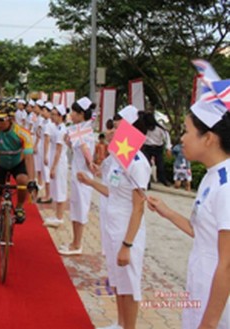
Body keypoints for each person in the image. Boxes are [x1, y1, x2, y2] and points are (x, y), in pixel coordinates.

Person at [148, 96, 230, 329]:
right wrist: (167, 212)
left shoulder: (226, 186)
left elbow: (228, 263)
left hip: (218, 300)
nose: (181, 138)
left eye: (187, 131)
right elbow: (202, 231)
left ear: (209, 139)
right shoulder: (210, 176)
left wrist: (210, 323)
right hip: (201, 284)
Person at [78, 105, 151, 329]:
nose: (111, 131)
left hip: (127, 230)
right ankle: (120, 323)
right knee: (118, 280)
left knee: (130, 284)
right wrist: (91, 182)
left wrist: (127, 244)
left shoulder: (138, 163)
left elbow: (138, 208)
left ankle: (129, 326)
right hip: (112, 226)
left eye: (117, 127)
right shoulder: (120, 158)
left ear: (130, 131)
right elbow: (112, 191)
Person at [0, 100, 38, 244]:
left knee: (23, 181)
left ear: (10, 118)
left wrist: (32, 180)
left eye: (0, 119)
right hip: (0, 163)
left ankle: (19, 207)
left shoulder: (23, 133)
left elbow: (29, 158)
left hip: (18, 162)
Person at [58, 97, 98, 255]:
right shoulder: (78, 128)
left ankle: (77, 244)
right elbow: (75, 145)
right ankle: (74, 241)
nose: (71, 114)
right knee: (75, 206)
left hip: (83, 175)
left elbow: (84, 147)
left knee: (80, 208)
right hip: (77, 172)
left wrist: (91, 163)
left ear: (81, 114)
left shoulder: (83, 130)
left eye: (74, 112)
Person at [43, 104, 69, 227]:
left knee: (60, 188)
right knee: (55, 188)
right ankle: (56, 214)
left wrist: (53, 168)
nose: (51, 117)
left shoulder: (62, 130)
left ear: (60, 116)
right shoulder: (56, 127)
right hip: (55, 159)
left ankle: (60, 217)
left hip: (59, 162)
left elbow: (59, 150)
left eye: (53, 114)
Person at [142, 111, 172, 186]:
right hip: (147, 147)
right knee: (146, 165)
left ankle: (162, 179)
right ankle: (147, 182)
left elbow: (167, 138)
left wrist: (168, 148)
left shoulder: (160, 128)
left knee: (160, 165)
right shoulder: (144, 128)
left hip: (158, 147)